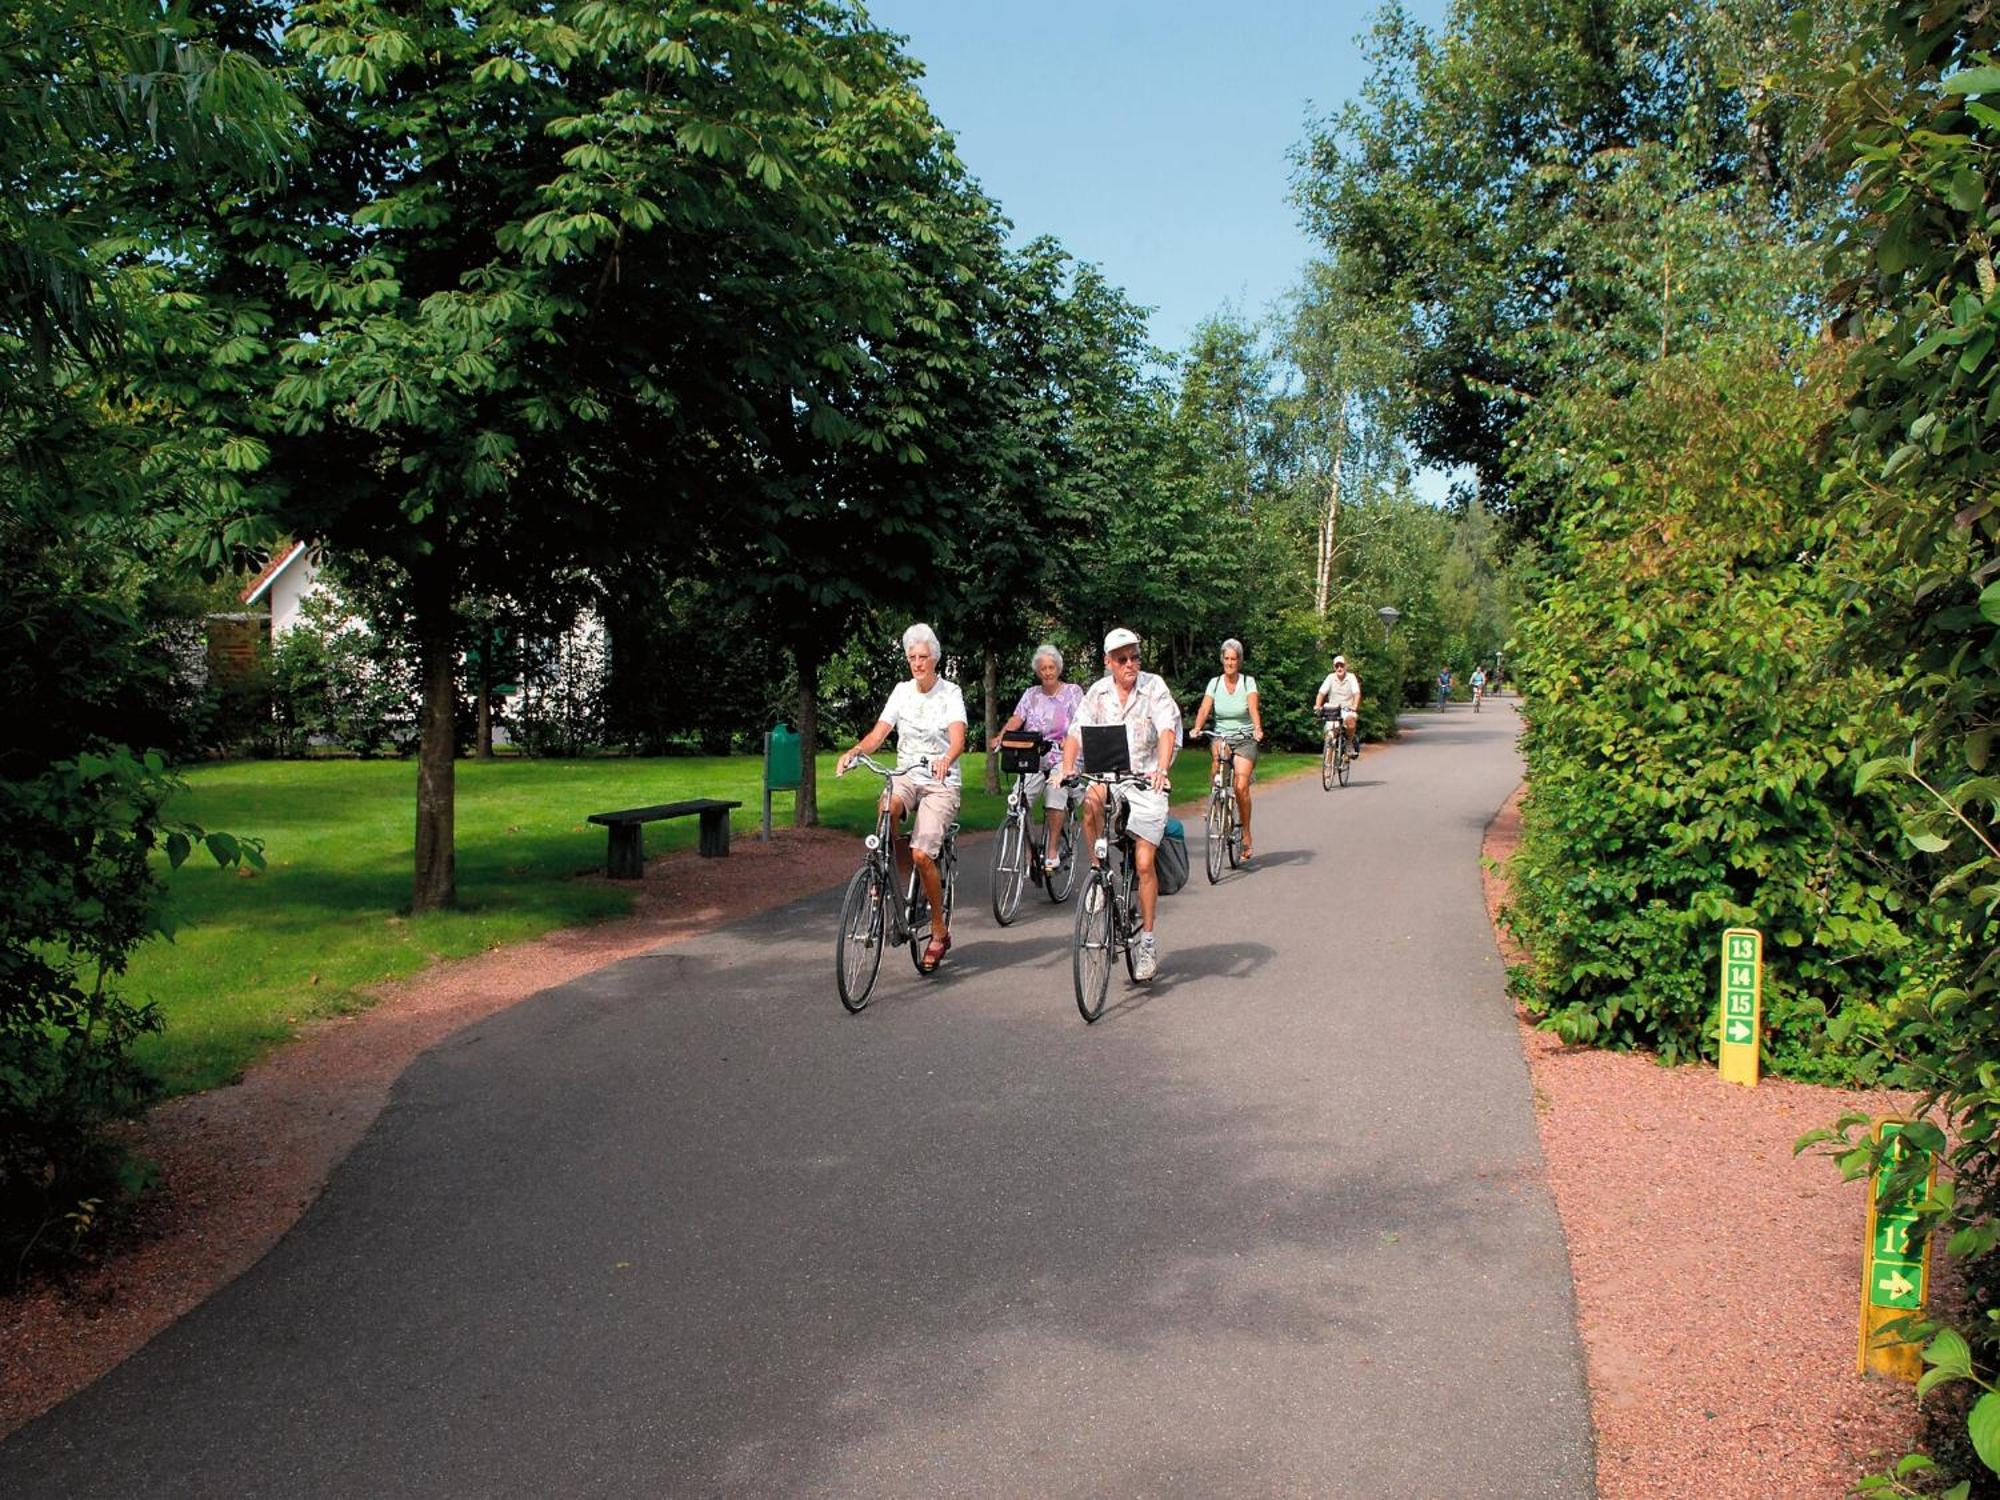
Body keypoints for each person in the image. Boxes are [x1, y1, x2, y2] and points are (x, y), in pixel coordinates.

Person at [837, 623, 966, 973]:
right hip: (907, 774)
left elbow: (958, 737)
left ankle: (939, 931)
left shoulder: (949, 692)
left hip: (941, 780)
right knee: (886, 807)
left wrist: (947, 759)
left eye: (923, 657)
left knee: (924, 852)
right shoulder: (901, 691)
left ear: (935, 659)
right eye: (912, 657)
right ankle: (893, 874)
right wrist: (855, 751)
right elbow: (880, 734)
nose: (918, 663)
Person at [1060, 627, 1178, 982]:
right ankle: (1098, 871)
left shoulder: (1154, 687)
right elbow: (1075, 733)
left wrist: (1162, 768)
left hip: (1145, 781)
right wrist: (1067, 768)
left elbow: (1167, 729)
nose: (1131, 664)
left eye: (1135, 657)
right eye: (1122, 659)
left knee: (1143, 863)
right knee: (1091, 799)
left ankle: (1148, 942)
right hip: (1109, 777)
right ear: (1108, 662)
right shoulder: (1097, 692)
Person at [996, 643, 1084, 873]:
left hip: (1061, 756)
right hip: (1033, 756)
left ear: (1058, 668)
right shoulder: (1031, 695)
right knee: (1017, 801)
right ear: (1038, 671)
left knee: (1056, 793)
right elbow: (1017, 718)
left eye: (1051, 667)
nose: (1047, 672)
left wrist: (1070, 740)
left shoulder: (1072, 693)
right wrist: (1002, 736)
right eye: (1043, 668)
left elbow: (1082, 723)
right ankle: (1029, 850)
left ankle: (1052, 851)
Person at [1187, 637, 1265, 861]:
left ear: (1239, 661)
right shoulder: (1215, 683)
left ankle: (1247, 835)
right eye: (1227, 658)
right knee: (1218, 759)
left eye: (1234, 659)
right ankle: (1215, 800)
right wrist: (1197, 727)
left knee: (1241, 786)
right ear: (1222, 660)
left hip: (1244, 738)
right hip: (1221, 735)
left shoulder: (1248, 682)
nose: (1230, 663)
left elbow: (1253, 708)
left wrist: (1257, 728)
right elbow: (1204, 708)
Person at [1313, 655, 1362, 760]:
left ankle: (1349, 743)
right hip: (1333, 710)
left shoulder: (1351, 677)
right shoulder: (1330, 678)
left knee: (1351, 720)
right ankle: (1328, 767)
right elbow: (1321, 693)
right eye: (1337, 666)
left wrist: (1355, 705)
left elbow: (1356, 693)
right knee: (1330, 736)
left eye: (1342, 665)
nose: (1339, 668)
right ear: (1334, 667)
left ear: (1346, 666)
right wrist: (1317, 706)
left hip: (1347, 709)